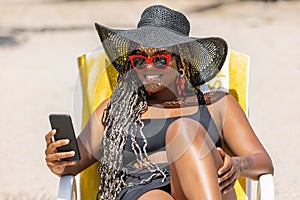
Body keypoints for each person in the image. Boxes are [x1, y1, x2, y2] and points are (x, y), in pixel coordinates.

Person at [44, 5, 273, 200]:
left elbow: (263, 161)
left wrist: (237, 164)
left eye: (160, 59)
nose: (148, 68)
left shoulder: (217, 105)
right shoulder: (116, 109)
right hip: (144, 189)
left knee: (184, 130)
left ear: (182, 60)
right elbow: (74, 162)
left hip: (210, 187)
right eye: (140, 60)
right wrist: (58, 160)